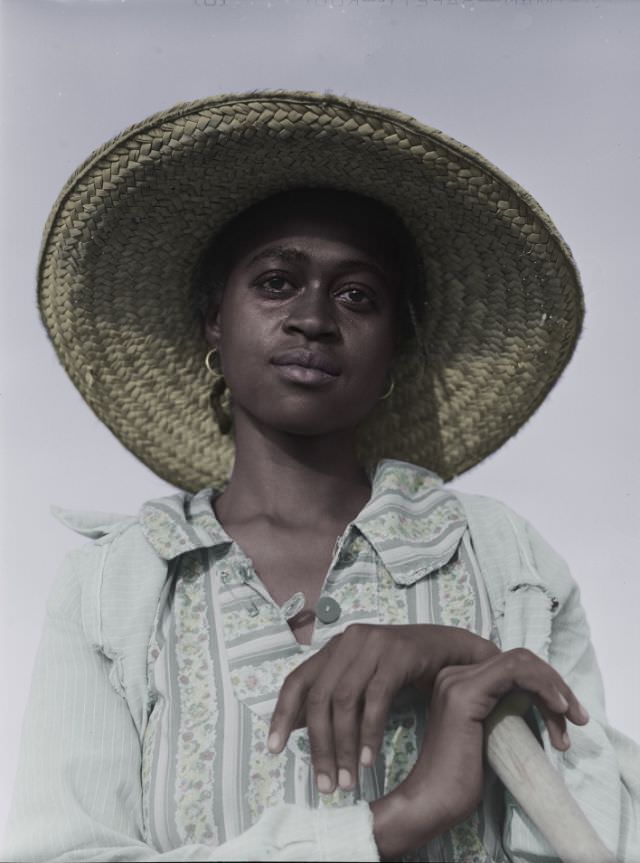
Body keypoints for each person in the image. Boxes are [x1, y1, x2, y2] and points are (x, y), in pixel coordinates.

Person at [4, 90, 639, 862]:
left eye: (357, 296)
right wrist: (395, 818)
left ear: (395, 352)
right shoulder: (118, 584)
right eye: (276, 282)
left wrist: (455, 651)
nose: (313, 317)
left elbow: (605, 832)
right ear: (214, 319)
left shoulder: (498, 558)